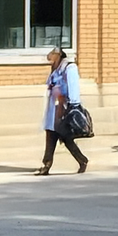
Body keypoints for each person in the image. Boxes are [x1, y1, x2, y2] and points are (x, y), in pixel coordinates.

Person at [37, 45, 88, 175]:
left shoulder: (69, 67)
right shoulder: (55, 69)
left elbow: (73, 87)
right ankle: (47, 165)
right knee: (52, 136)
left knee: (65, 138)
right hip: (52, 109)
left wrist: (73, 106)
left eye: (52, 55)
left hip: (63, 108)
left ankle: (81, 160)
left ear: (59, 55)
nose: (50, 59)